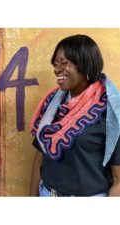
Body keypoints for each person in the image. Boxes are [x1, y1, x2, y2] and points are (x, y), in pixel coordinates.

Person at [30, 34, 120, 197]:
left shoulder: (111, 112)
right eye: (56, 64)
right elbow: (39, 158)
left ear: (85, 64)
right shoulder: (52, 105)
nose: (57, 69)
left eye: (64, 63)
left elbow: (119, 180)